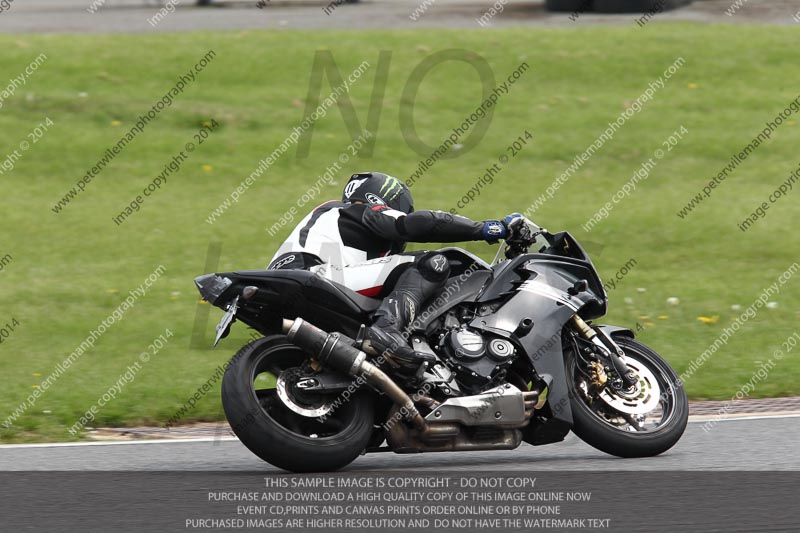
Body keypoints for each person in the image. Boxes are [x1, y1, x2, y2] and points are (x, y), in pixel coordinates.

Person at [268, 171, 529, 370]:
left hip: (293, 284)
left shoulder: (335, 222)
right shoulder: (358, 209)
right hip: (314, 275)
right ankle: (387, 330)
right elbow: (412, 225)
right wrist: (485, 228)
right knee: (433, 262)